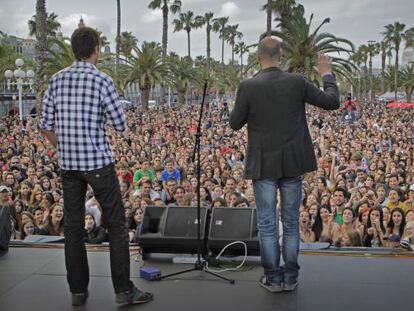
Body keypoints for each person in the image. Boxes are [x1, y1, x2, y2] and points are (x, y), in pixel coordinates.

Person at [38, 26, 153, 306]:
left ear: (74, 49)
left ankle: (77, 291)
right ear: (96, 49)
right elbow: (121, 124)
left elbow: (45, 125)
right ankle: (123, 291)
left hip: (69, 164)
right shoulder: (102, 80)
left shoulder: (56, 79)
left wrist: (63, 147)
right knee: (116, 225)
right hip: (99, 163)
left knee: (74, 228)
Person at [230, 36, 339, 293]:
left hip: (263, 164)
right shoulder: (297, 82)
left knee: (268, 225)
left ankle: (273, 279)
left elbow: (235, 123)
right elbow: (332, 101)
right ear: (281, 56)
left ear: (258, 55)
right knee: (290, 223)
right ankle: (291, 278)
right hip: (293, 163)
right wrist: (327, 74)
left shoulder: (248, 86)